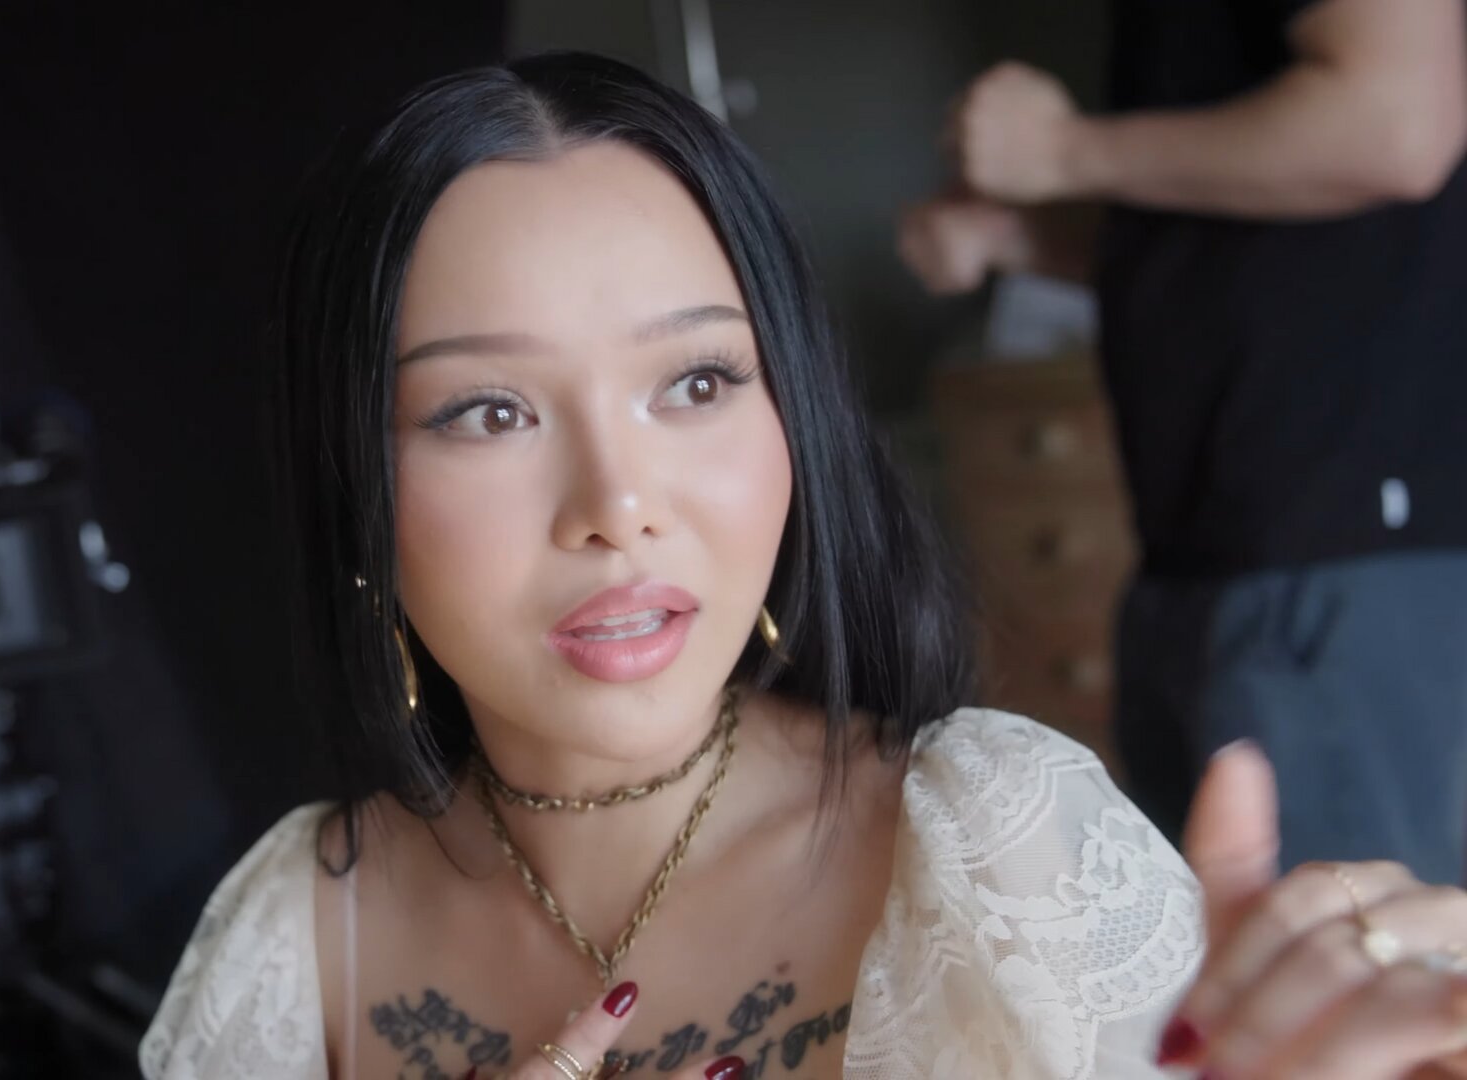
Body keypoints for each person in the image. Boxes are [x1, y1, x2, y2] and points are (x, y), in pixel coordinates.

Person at [143, 53, 1467, 1079]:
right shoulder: (297, 934)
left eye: (697, 381)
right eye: (489, 411)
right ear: (356, 483)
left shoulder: (994, 844)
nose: (618, 507)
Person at [897, 0, 1467, 886]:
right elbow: (1237, 226)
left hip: (1336, 557)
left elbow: (1395, 127)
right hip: (1200, 559)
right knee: (1201, 950)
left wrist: (1064, 151)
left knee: (1336, 953)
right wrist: (1022, 238)